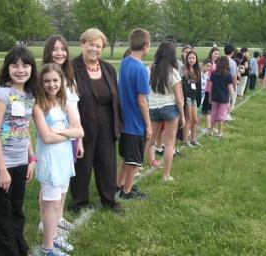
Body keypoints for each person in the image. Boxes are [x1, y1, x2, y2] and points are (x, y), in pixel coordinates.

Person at [0, 45, 37, 256]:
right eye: (15, 66)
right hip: (1, 164)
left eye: (25, 65)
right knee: (3, 215)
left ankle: (19, 248)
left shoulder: (28, 94)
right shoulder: (2, 94)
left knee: (17, 210)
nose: (20, 70)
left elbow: (24, 130)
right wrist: (2, 169)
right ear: (8, 68)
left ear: (32, 68)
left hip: (20, 162)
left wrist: (31, 158)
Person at [68, 28, 122, 214]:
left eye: (98, 46)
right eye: (90, 44)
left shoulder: (108, 68)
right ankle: (78, 201)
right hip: (82, 125)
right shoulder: (71, 68)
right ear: (82, 44)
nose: (94, 49)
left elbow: (115, 97)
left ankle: (109, 199)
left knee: (107, 164)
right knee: (82, 164)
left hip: (107, 125)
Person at [33, 63, 84, 256]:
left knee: (58, 200)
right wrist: (69, 134)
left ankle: (52, 237)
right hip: (50, 161)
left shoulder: (65, 103)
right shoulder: (39, 106)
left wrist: (62, 131)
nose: (51, 84)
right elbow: (46, 137)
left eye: (55, 80)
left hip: (64, 159)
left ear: (61, 81)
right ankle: (48, 248)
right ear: (41, 82)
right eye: (46, 81)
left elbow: (80, 130)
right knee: (51, 204)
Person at [40, 35, 78, 236]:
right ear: (48, 51)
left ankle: (58, 216)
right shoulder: (45, 76)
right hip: (54, 139)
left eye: (63, 49)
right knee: (50, 182)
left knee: (64, 180)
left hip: (70, 133)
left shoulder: (68, 74)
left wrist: (77, 139)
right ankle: (44, 220)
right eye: (55, 49)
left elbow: (75, 108)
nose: (59, 53)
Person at [116, 28, 152, 199]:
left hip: (124, 121)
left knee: (126, 157)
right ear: (146, 46)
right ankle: (127, 191)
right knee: (134, 160)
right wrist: (149, 126)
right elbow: (142, 101)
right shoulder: (141, 69)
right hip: (135, 123)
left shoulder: (124, 63)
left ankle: (119, 184)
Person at [145, 41, 185, 181]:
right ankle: (166, 175)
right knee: (169, 143)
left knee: (150, 140)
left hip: (153, 108)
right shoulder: (173, 72)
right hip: (169, 108)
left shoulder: (149, 68)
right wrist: (183, 116)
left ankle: (136, 166)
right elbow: (179, 98)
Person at [209, 56, 234, 137]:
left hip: (215, 97)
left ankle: (211, 131)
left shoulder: (213, 73)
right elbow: (230, 88)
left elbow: (210, 87)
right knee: (221, 116)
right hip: (224, 98)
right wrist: (232, 99)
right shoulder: (228, 74)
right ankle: (219, 132)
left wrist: (210, 97)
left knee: (213, 114)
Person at [181, 51, 202, 146]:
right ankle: (185, 141)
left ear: (196, 59)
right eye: (190, 58)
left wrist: (198, 99)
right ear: (187, 59)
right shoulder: (184, 71)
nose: (192, 60)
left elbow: (199, 86)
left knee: (195, 120)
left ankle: (193, 139)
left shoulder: (198, 71)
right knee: (188, 118)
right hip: (187, 97)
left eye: (193, 58)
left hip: (194, 98)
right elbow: (182, 86)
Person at [202, 47, 220, 134]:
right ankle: (209, 127)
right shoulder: (208, 62)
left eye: (218, 54)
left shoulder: (217, 64)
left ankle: (209, 126)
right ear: (211, 53)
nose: (216, 55)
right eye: (215, 53)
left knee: (210, 108)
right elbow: (204, 72)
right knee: (207, 109)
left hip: (212, 89)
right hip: (206, 88)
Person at [224, 44, 238, 121]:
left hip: (219, 83)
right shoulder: (232, 63)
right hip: (229, 84)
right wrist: (235, 86)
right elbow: (234, 76)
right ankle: (226, 115)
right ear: (232, 52)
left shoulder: (220, 60)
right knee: (229, 100)